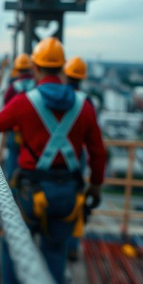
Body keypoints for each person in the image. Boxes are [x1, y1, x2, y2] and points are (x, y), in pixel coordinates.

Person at [0, 38, 106, 284]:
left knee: (13, 243)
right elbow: (98, 152)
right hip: (68, 195)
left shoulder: (23, 102)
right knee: (55, 251)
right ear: (62, 67)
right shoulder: (84, 106)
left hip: (30, 193)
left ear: (35, 67)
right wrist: (96, 185)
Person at [63, 56, 89, 262]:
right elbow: (94, 142)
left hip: (53, 158)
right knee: (75, 203)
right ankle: (72, 246)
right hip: (77, 159)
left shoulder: (60, 98)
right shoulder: (86, 102)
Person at [3, 53, 36, 180]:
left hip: (15, 132)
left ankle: (11, 191)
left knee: (13, 160)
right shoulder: (37, 86)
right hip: (32, 133)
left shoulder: (13, 88)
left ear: (17, 70)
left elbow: (6, 112)